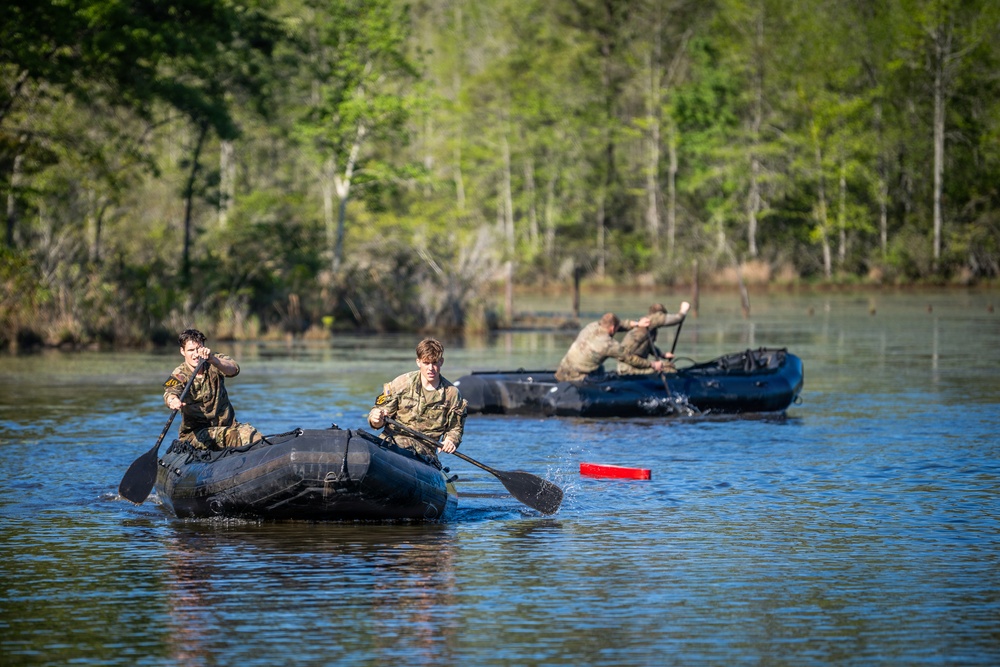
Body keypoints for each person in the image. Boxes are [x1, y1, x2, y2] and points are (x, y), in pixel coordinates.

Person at [367, 338, 468, 463]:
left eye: (434, 363)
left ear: (441, 362)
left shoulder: (452, 394)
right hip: (392, 443)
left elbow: (455, 428)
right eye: (426, 363)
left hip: (424, 451)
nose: (430, 368)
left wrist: (450, 441)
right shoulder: (401, 383)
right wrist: (376, 419)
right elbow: (379, 417)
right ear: (418, 362)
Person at [163, 328, 261, 449]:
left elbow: (234, 369)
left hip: (228, 426)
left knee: (255, 436)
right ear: (182, 351)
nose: (196, 354)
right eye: (191, 350)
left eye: (198, 349)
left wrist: (213, 360)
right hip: (196, 434)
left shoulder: (215, 360)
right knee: (231, 435)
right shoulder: (178, 374)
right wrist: (173, 401)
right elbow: (170, 392)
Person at [554, 312, 668, 382]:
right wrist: (653, 364)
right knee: (605, 375)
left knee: (600, 368)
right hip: (577, 377)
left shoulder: (592, 326)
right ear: (613, 329)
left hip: (562, 370)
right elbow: (631, 359)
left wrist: (638, 324)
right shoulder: (609, 345)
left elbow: (619, 325)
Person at [616, 301, 691, 375]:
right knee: (669, 369)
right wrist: (683, 310)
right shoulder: (652, 320)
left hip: (633, 364)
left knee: (667, 365)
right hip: (629, 367)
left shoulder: (648, 327)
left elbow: (648, 345)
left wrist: (662, 354)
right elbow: (677, 319)